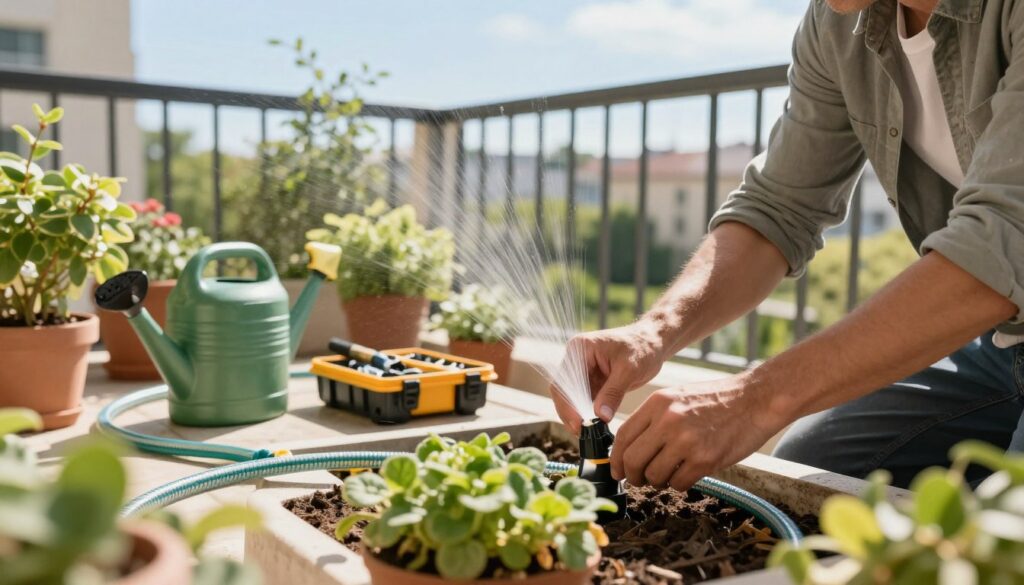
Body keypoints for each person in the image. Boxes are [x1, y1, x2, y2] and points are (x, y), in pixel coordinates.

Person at [552, 0, 1024, 490]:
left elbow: (1005, 235)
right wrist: (654, 331)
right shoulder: (838, 21)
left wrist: (757, 398)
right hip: (998, 340)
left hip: (995, 305)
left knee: (1006, 532)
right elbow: (779, 208)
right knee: (816, 466)